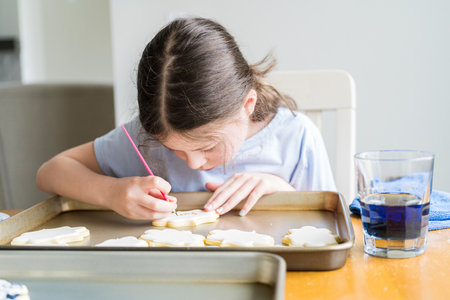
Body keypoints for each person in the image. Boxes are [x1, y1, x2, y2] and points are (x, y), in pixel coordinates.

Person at [36, 17, 336, 220]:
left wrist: (283, 193)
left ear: (247, 105)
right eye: (175, 149)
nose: (192, 164)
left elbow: (330, 221)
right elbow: (50, 172)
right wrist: (112, 192)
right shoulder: (146, 140)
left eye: (207, 147)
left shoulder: (296, 138)